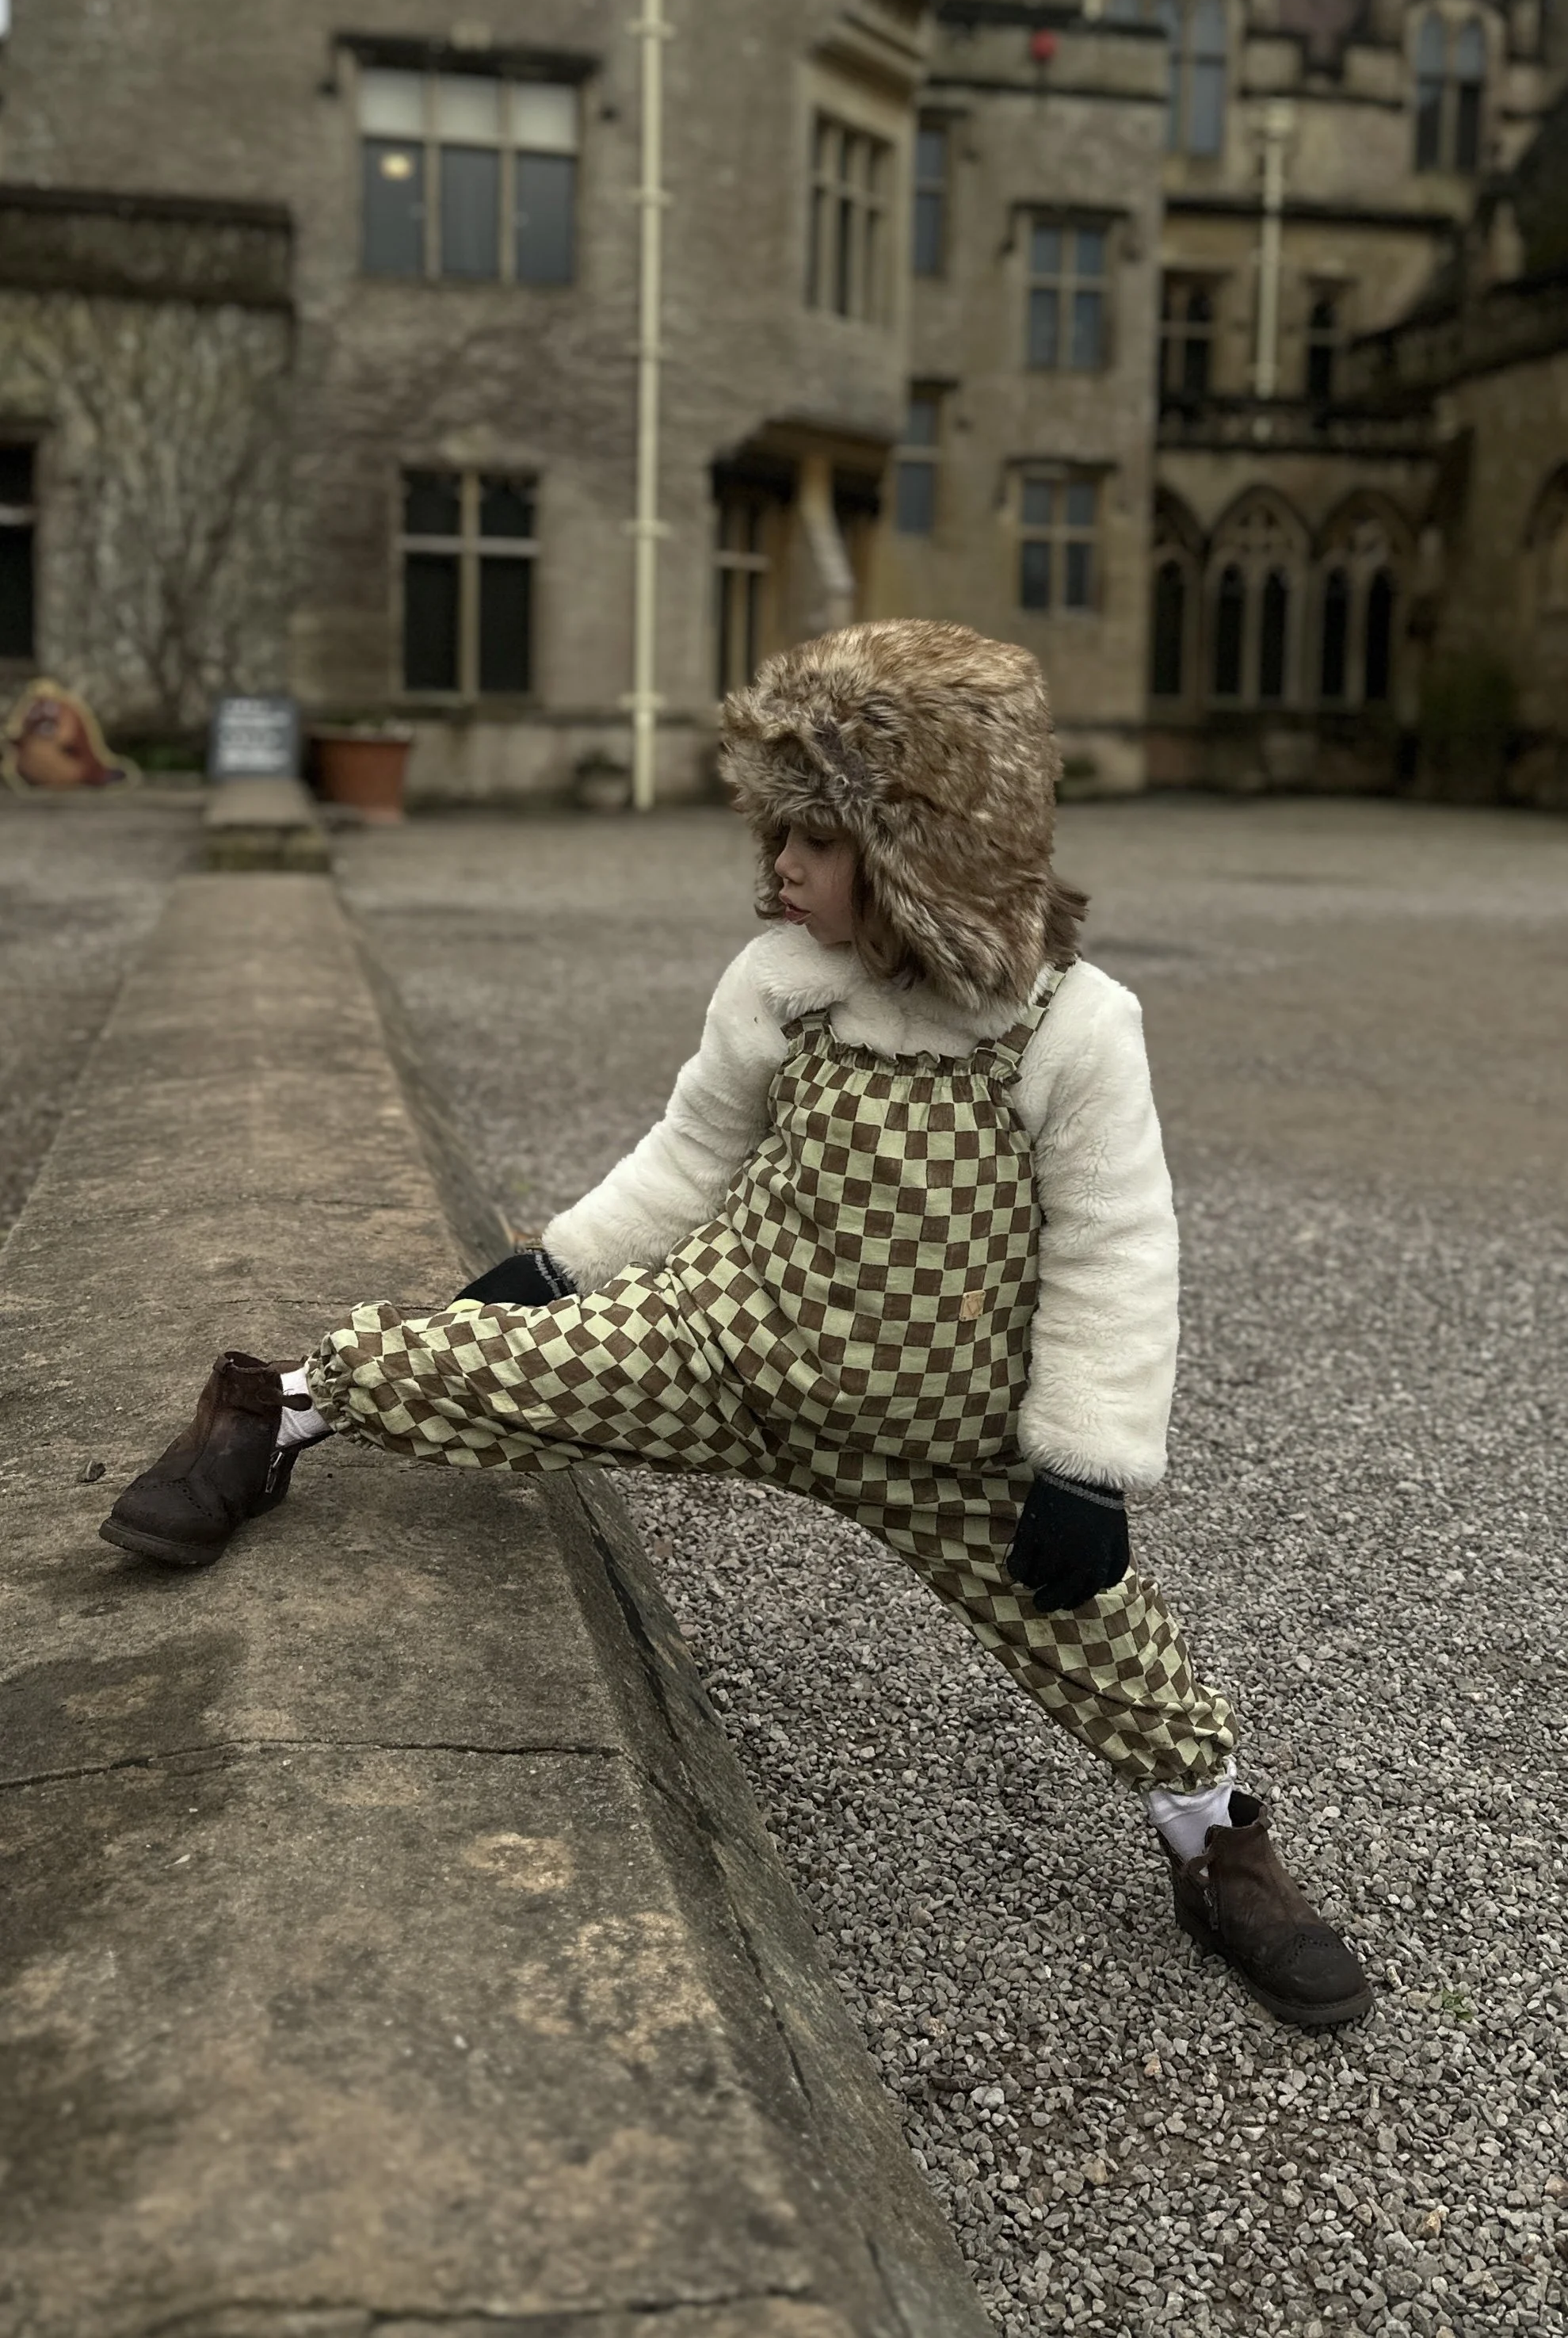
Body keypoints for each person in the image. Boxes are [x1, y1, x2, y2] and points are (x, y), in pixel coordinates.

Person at [101, 619, 1369, 2030]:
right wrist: (560, 1270)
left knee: (1110, 1648)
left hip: (940, 1449)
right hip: (721, 1352)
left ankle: (1214, 1843)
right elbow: (691, 1154)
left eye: (811, 843)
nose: (776, 871)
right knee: (484, 1361)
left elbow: (1117, 1244)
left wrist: (1083, 1464)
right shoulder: (782, 984)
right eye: (776, 836)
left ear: (921, 851)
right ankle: (274, 1410)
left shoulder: (1074, 1027)